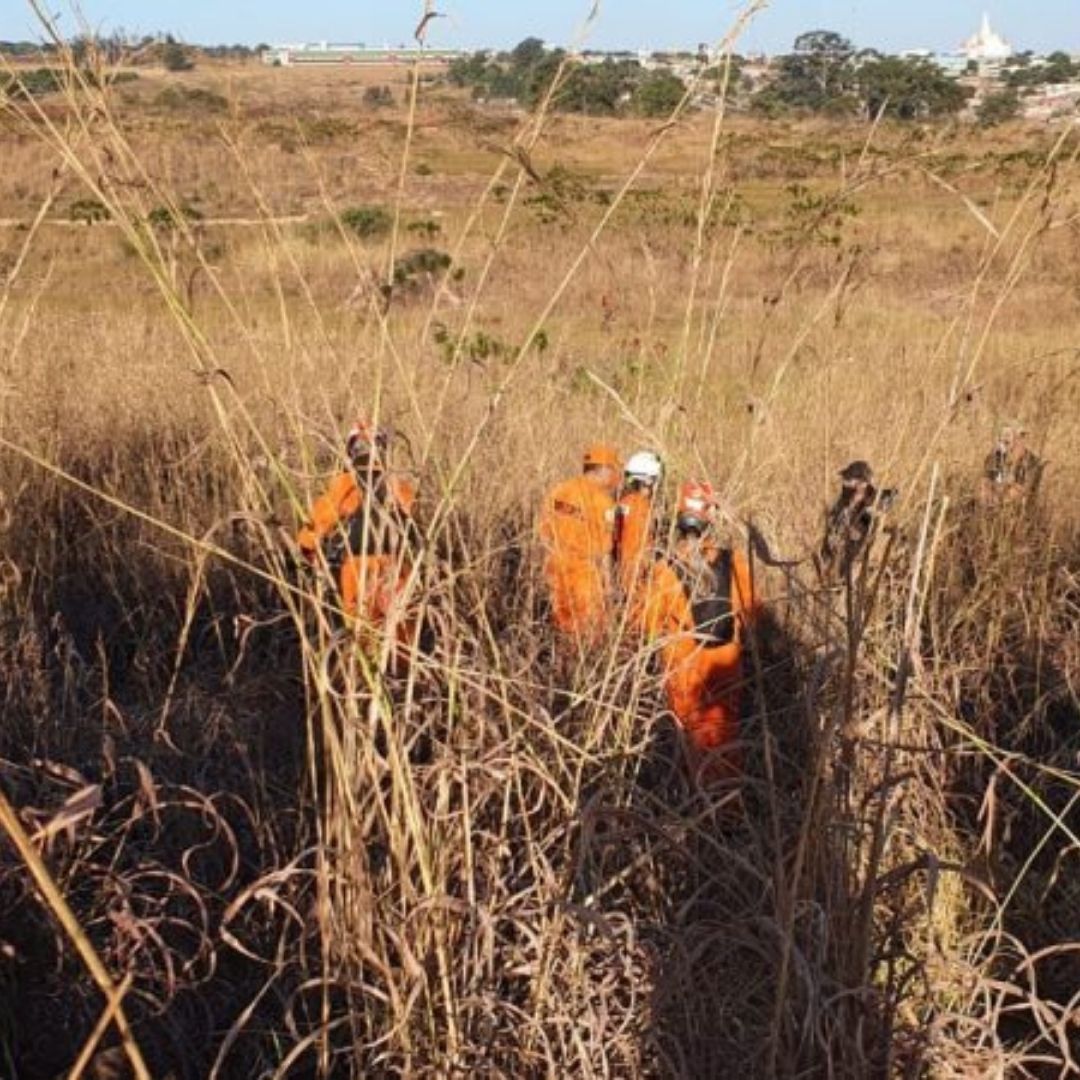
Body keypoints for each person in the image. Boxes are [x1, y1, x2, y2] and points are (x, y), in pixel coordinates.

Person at [642, 480, 761, 785]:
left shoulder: (663, 569)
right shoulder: (733, 562)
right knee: (724, 733)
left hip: (683, 668)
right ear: (712, 520)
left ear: (679, 520)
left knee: (688, 738)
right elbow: (753, 614)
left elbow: (648, 624)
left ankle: (695, 806)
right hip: (725, 661)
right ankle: (727, 811)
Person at [297, 418, 421, 665]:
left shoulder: (346, 484)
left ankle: (366, 686)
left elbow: (318, 525)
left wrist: (306, 553)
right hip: (396, 568)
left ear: (350, 450)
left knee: (362, 638)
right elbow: (416, 525)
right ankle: (399, 685)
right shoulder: (400, 485)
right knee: (399, 638)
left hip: (357, 569)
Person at [538, 443, 621, 646]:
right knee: (590, 634)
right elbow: (604, 552)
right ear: (603, 470)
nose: (616, 478)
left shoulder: (560, 490)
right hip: (585, 576)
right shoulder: (603, 502)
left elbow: (542, 533)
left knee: (562, 629)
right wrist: (609, 588)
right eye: (614, 470)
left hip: (555, 568)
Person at [818, 460, 896, 582]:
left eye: (849, 479)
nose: (845, 483)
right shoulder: (843, 503)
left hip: (862, 570)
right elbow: (832, 533)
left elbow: (872, 535)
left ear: (862, 483)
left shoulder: (875, 505)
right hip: (839, 568)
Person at [615, 450, 664, 617]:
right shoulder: (642, 508)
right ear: (648, 481)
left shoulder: (624, 502)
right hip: (636, 581)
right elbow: (642, 548)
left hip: (621, 575)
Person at [980, 423, 1043, 507]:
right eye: (1003, 439)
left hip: (1016, 509)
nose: (1018, 441)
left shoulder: (1033, 462)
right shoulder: (995, 456)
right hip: (992, 503)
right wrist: (988, 494)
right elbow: (985, 482)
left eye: (1020, 438)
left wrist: (1000, 497)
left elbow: (1022, 492)